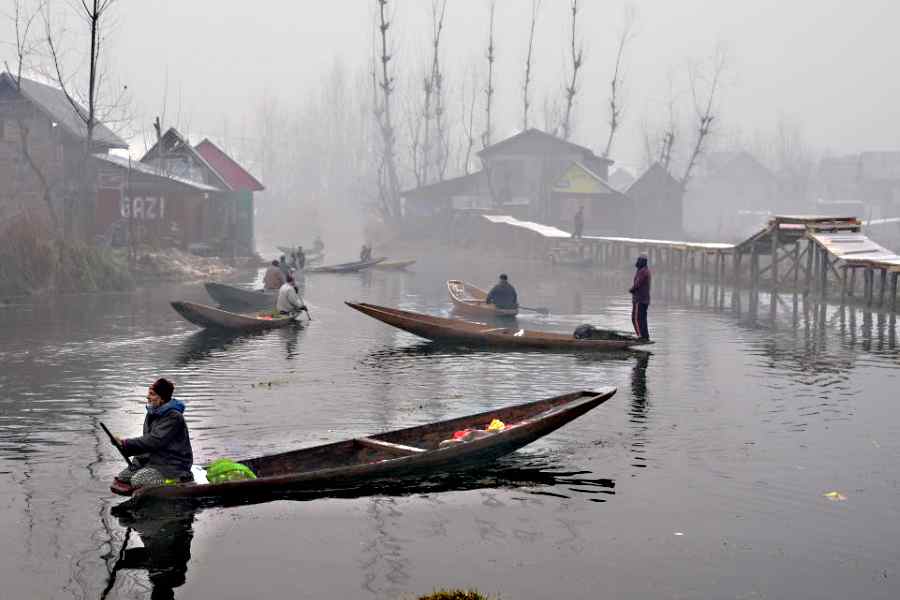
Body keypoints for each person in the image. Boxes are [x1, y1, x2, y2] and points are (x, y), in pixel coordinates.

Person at [114, 378, 194, 490]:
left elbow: (153, 441)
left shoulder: (174, 417)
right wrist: (136, 463)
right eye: (148, 393)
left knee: (137, 481)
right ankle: (149, 475)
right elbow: (146, 445)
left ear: (161, 398)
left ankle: (180, 478)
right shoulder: (151, 414)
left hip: (173, 465)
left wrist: (126, 443)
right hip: (154, 462)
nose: (147, 397)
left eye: (152, 394)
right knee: (123, 478)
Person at [629, 254, 651, 340]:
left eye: (638, 261)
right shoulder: (643, 270)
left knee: (636, 318)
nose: (637, 262)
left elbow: (638, 283)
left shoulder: (643, 271)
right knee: (642, 319)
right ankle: (645, 336)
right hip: (643, 299)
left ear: (642, 262)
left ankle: (641, 336)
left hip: (640, 299)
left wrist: (632, 289)